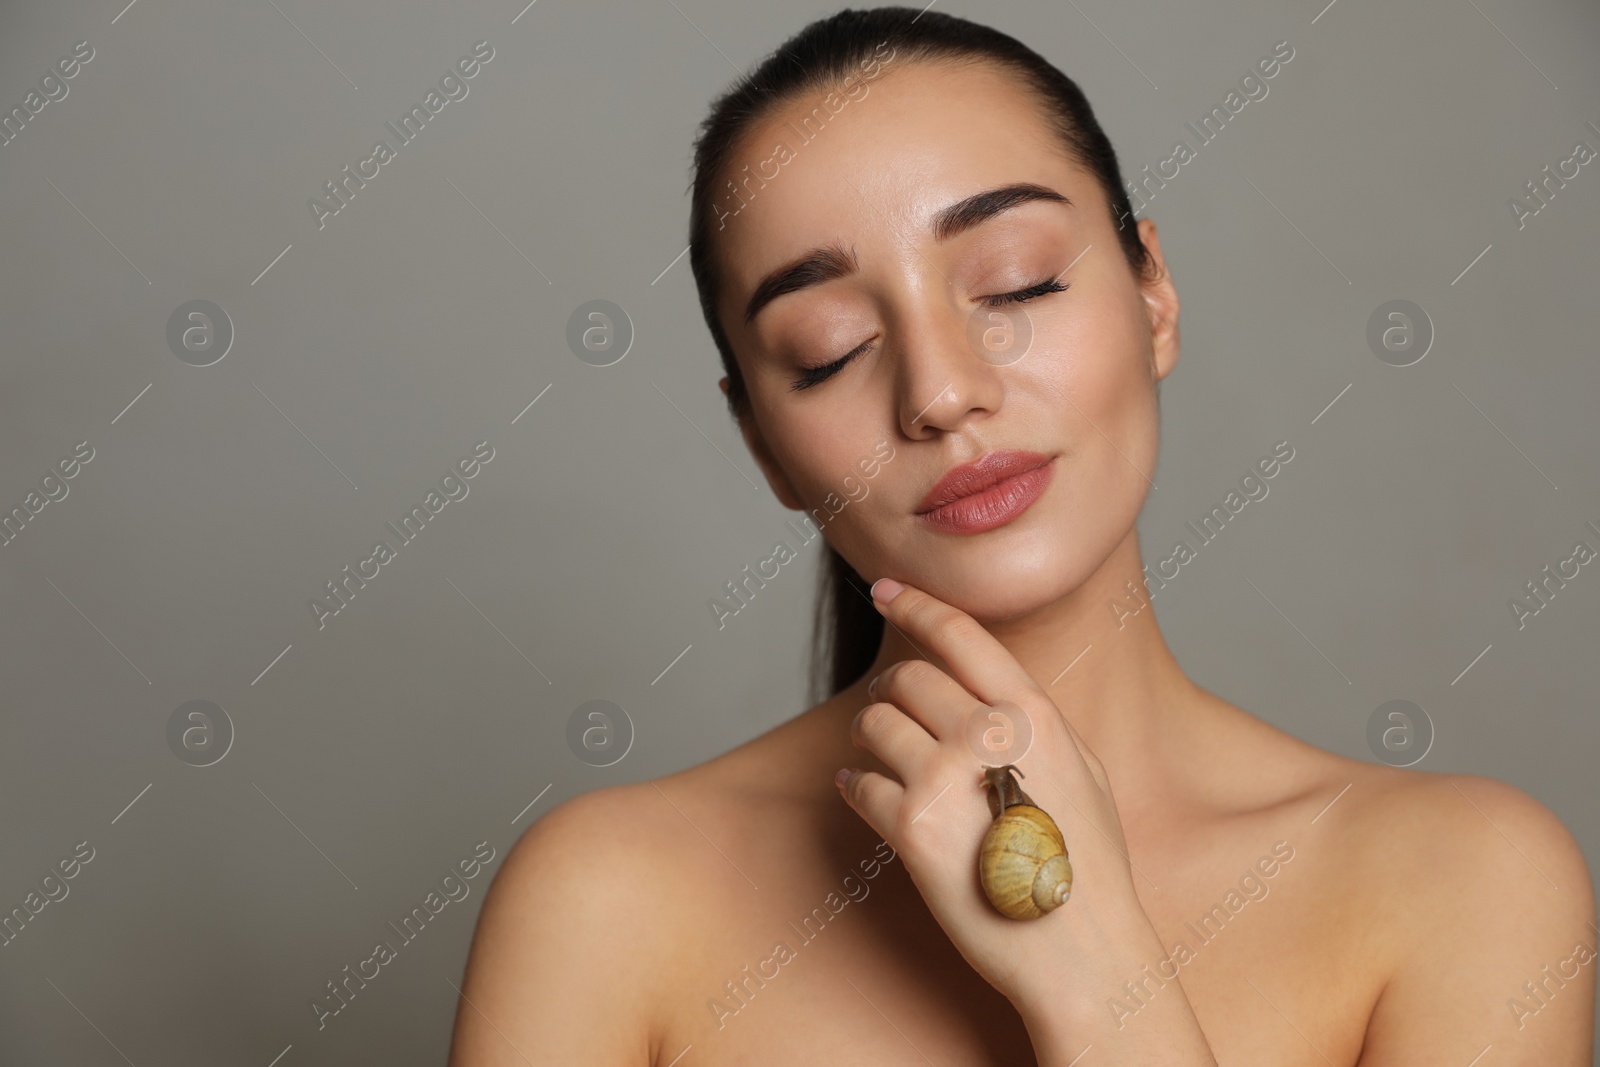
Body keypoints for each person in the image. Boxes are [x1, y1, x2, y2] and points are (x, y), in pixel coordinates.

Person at [448, 7, 1596, 1064]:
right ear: (761, 443)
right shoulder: (608, 899)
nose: (941, 391)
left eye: (1016, 282)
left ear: (1154, 297)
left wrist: (1098, 979)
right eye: (830, 347)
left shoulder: (1464, 881)